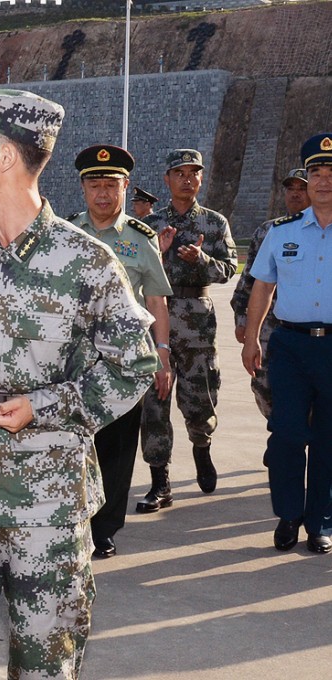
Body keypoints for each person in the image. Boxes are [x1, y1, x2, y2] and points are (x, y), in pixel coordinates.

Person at [0, 89, 157, 679]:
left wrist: (45, 406)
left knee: (46, 661)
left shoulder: (88, 261)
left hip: (46, 496)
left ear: (5, 156)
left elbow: (135, 364)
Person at [68, 145, 173, 559]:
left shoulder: (140, 239)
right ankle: (71, 519)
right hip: (72, 361)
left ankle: (105, 528)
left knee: (116, 447)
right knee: (74, 442)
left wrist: (162, 355)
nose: (103, 193)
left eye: (111, 184)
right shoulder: (67, 233)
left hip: (123, 363)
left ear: (125, 187)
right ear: (82, 188)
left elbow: (157, 301)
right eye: (95, 184)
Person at [242, 134, 332, 555]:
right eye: (316, 173)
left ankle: (320, 523)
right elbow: (263, 286)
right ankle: (289, 515)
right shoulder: (283, 233)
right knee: (286, 434)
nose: (323, 181)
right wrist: (251, 340)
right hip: (290, 347)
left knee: (329, 439)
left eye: (331, 174)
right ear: (306, 180)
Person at [138, 149, 238, 511]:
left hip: (197, 323)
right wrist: (159, 255)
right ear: (167, 180)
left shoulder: (214, 223)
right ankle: (159, 482)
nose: (187, 179)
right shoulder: (149, 224)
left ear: (201, 178)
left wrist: (203, 261)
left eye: (193, 173)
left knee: (199, 402)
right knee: (154, 406)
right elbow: (133, 269)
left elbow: (228, 269)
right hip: (156, 323)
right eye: (179, 173)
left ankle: (201, 447)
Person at [230, 168, 310, 420]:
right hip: (269, 328)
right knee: (264, 387)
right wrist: (242, 320)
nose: (295, 194)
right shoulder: (269, 231)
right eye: (291, 189)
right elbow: (248, 283)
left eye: (302, 188)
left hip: (309, 329)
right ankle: (278, 436)